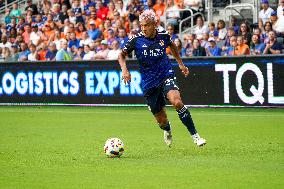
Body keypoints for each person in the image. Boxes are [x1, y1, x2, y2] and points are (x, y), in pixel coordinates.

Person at [118, 10, 206, 147]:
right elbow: (121, 55)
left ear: (155, 24)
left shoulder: (164, 35)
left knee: (177, 102)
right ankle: (167, 129)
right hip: (149, 83)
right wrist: (124, 70)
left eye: (146, 25)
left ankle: (196, 136)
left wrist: (181, 64)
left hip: (166, 74)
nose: (144, 28)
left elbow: (172, 46)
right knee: (161, 120)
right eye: (142, 25)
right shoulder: (136, 39)